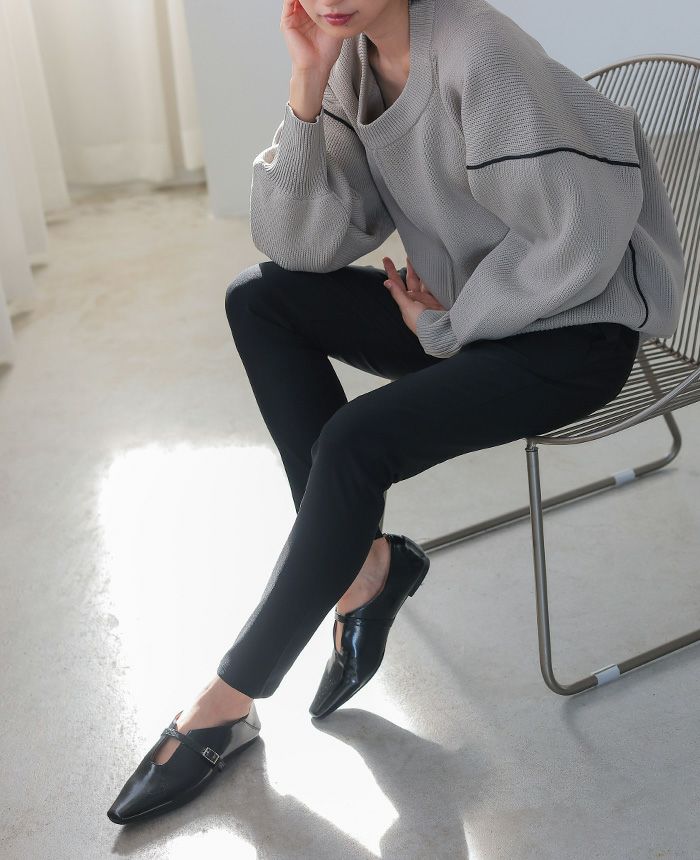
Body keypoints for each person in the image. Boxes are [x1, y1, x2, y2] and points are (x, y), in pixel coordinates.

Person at [107, 0, 685, 824]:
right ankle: (365, 569)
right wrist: (307, 84)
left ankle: (226, 701)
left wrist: (447, 326)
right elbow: (297, 243)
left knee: (355, 440)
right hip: (464, 318)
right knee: (260, 300)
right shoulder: (352, 62)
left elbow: (577, 237)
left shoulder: (479, 50)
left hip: (570, 336)